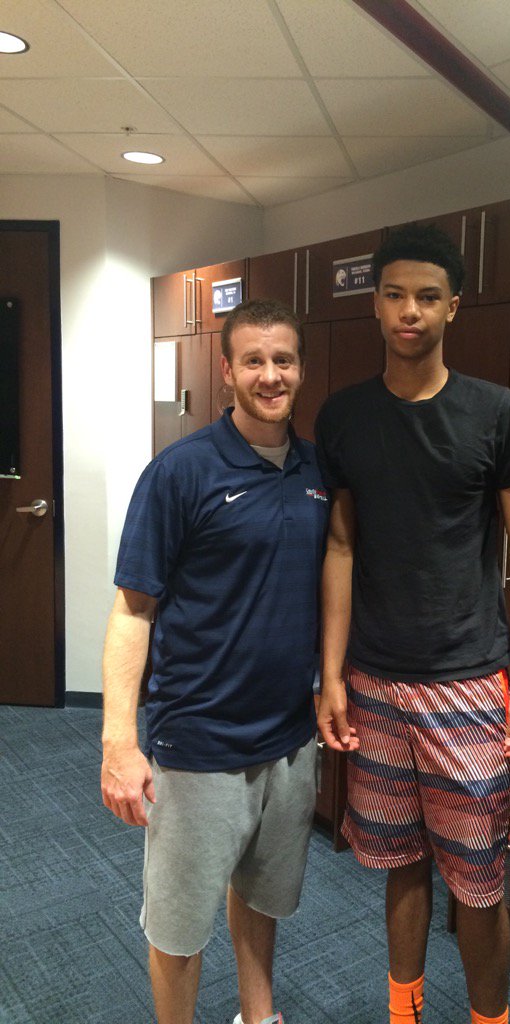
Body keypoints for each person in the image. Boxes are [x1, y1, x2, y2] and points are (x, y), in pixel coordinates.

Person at [315, 223, 510, 1024]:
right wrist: (332, 677)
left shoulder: (494, 412)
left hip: (468, 684)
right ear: (375, 306)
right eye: (393, 295)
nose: (408, 311)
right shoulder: (344, 416)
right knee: (400, 866)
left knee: (479, 884)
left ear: (454, 307)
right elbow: (340, 546)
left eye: (426, 297)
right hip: (375, 682)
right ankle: (402, 1012)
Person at [101, 298, 328, 1024]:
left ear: (300, 368)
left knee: (263, 897)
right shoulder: (180, 473)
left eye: (283, 360)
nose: (271, 375)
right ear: (226, 369)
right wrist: (118, 740)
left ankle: (257, 1016)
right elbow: (133, 610)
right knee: (178, 924)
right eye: (254, 360)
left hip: (289, 740)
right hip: (199, 742)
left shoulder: (319, 472)